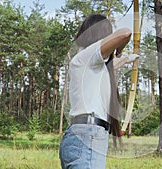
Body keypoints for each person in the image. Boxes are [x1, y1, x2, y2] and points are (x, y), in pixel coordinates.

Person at [59, 14, 138, 169]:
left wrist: (128, 57)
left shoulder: (87, 62)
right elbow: (125, 33)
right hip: (88, 135)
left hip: (82, 135)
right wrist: (119, 48)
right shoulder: (89, 56)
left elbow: (114, 64)